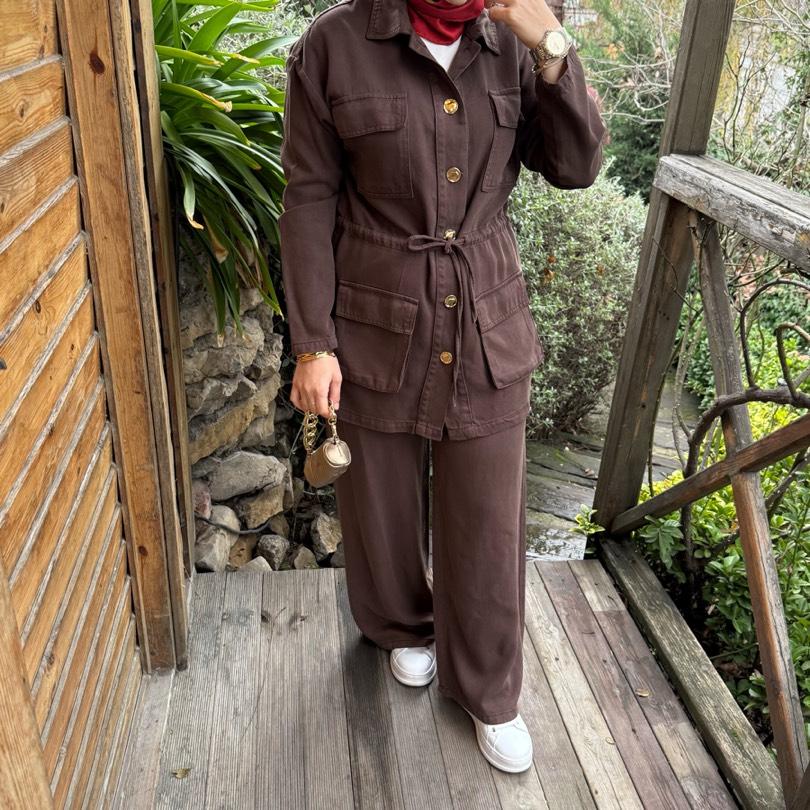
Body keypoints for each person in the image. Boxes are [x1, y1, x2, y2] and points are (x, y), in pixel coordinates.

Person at [279, 0, 605, 774]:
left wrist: (552, 50)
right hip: (373, 317)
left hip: (487, 318)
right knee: (380, 505)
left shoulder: (520, 40)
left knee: (488, 519)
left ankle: (489, 689)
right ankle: (401, 626)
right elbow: (309, 196)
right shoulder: (334, 44)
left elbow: (577, 166)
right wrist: (314, 343)